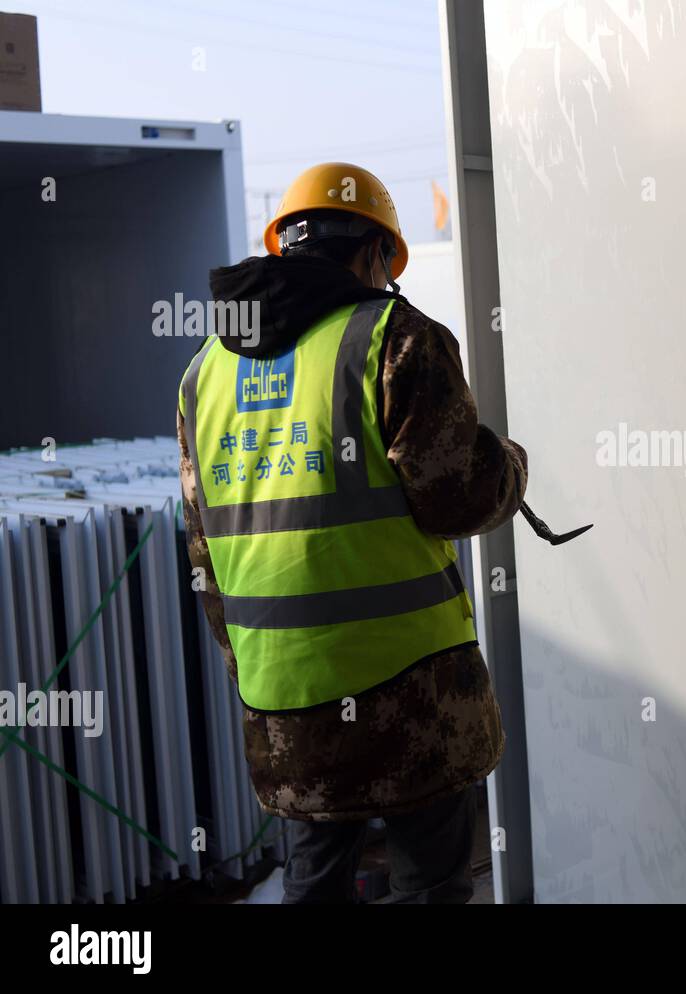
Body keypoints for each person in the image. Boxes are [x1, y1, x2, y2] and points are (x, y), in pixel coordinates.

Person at [175, 162, 527, 903]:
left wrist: (256, 671)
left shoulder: (204, 373)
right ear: (373, 255)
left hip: (285, 695)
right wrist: (512, 466)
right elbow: (459, 499)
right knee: (430, 884)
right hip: (411, 694)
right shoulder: (394, 339)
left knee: (316, 884)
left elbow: (202, 551)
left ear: (286, 249)